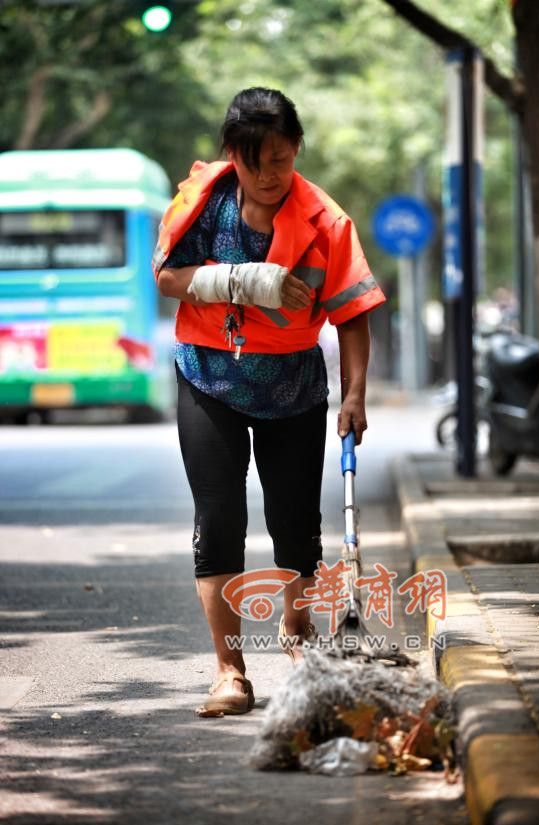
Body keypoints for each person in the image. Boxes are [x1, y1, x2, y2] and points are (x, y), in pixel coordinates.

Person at [152, 87, 386, 717]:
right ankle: (230, 672)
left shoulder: (327, 223)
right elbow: (168, 278)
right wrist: (243, 280)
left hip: (294, 387)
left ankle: (298, 625)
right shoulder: (202, 203)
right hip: (210, 376)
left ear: (296, 149)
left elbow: (353, 314)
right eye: (255, 162)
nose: (269, 175)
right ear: (232, 154)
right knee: (219, 517)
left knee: (295, 527)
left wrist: (355, 394)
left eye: (281, 159)